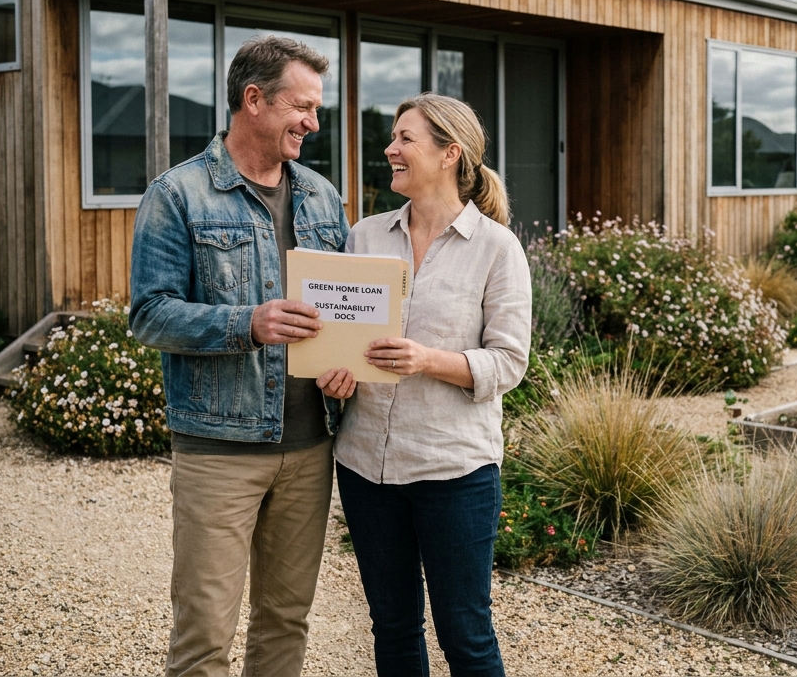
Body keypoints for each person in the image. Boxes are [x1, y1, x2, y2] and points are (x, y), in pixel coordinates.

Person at [129, 35, 356, 677]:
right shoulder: (177, 194)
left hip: (310, 449)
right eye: (302, 107)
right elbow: (149, 315)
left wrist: (349, 367)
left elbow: (345, 312)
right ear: (253, 100)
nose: (313, 123)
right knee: (204, 639)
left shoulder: (322, 196)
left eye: (316, 109)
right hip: (218, 452)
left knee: (286, 622)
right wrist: (246, 324)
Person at [332, 92, 531, 677]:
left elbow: (509, 362)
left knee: (465, 635)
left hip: (454, 472)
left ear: (450, 153)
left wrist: (427, 360)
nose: (389, 149)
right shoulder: (364, 237)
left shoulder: (497, 248)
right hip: (366, 467)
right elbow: (342, 339)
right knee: (392, 628)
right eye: (392, 137)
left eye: (405, 138)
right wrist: (334, 376)